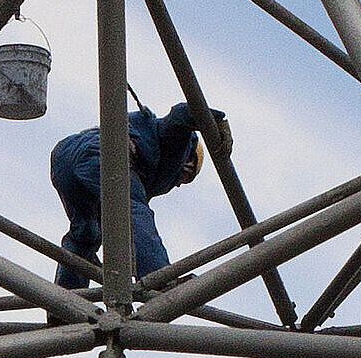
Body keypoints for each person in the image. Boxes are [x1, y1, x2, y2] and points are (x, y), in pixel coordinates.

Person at [49, 102, 229, 290]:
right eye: (185, 178)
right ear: (188, 163)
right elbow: (181, 113)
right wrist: (216, 123)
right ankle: (159, 278)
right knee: (133, 209)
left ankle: (66, 301)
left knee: (85, 232)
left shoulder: (147, 154)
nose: (178, 184)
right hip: (102, 154)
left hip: (64, 158)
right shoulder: (176, 144)